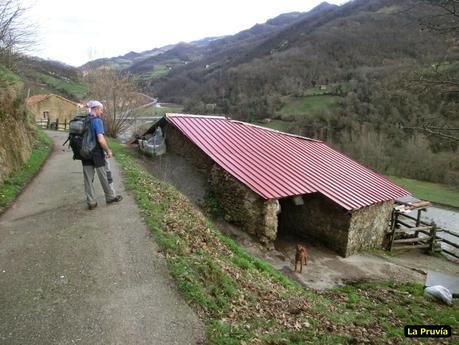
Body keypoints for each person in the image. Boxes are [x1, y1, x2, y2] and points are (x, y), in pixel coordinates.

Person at [82, 100, 122, 210]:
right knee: (104, 176)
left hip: (84, 154)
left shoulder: (84, 120)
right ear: (95, 108)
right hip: (96, 154)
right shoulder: (97, 121)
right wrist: (108, 150)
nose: (101, 111)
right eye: (100, 109)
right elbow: (100, 140)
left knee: (88, 179)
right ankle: (110, 197)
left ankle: (91, 202)